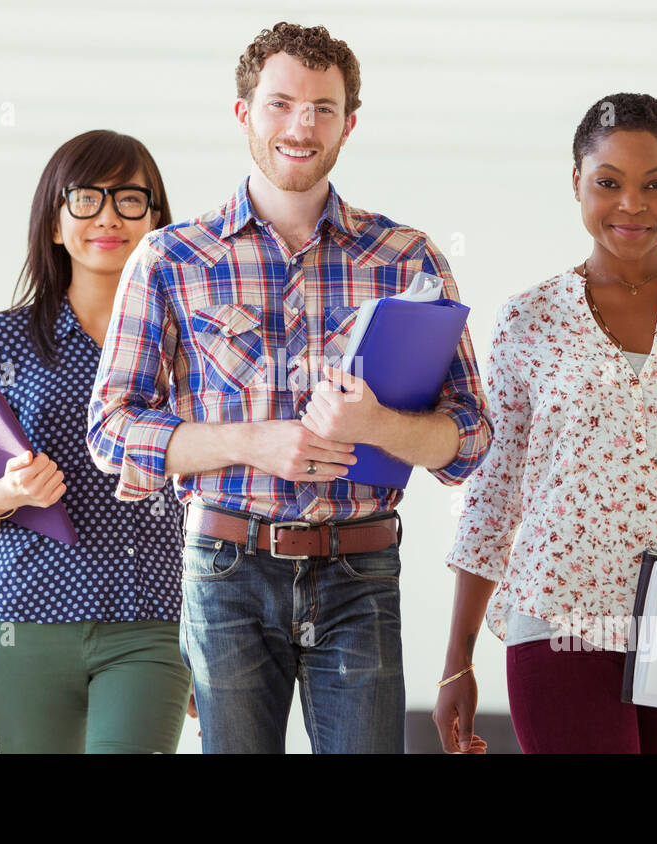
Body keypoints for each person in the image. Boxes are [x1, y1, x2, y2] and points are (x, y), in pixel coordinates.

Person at [87, 22, 491, 754]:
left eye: (322, 109)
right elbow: (111, 430)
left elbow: (469, 436)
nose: (301, 126)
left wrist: (378, 427)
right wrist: (253, 443)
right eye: (280, 104)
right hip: (226, 571)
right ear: (243, 112)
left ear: (349, 123)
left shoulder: (408, 258)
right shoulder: (171, 259)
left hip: (361, 570)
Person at [434, 93, 657, 754]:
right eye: (608, 183)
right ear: (576, 183)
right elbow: (490, 495)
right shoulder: (528, 319)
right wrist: (457, 659)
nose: (633, 205)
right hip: (559, 620)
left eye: (656, 184)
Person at [0, 130, 192, 754]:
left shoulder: (192, 340)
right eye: (85, 198)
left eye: (131, 199)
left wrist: (219, 639)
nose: (108, 215)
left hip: (152, 619)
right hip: (23, 622)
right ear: (54, 223)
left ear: (157, 219)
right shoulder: (1, 339)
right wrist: (2, 491)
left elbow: (221, 484)